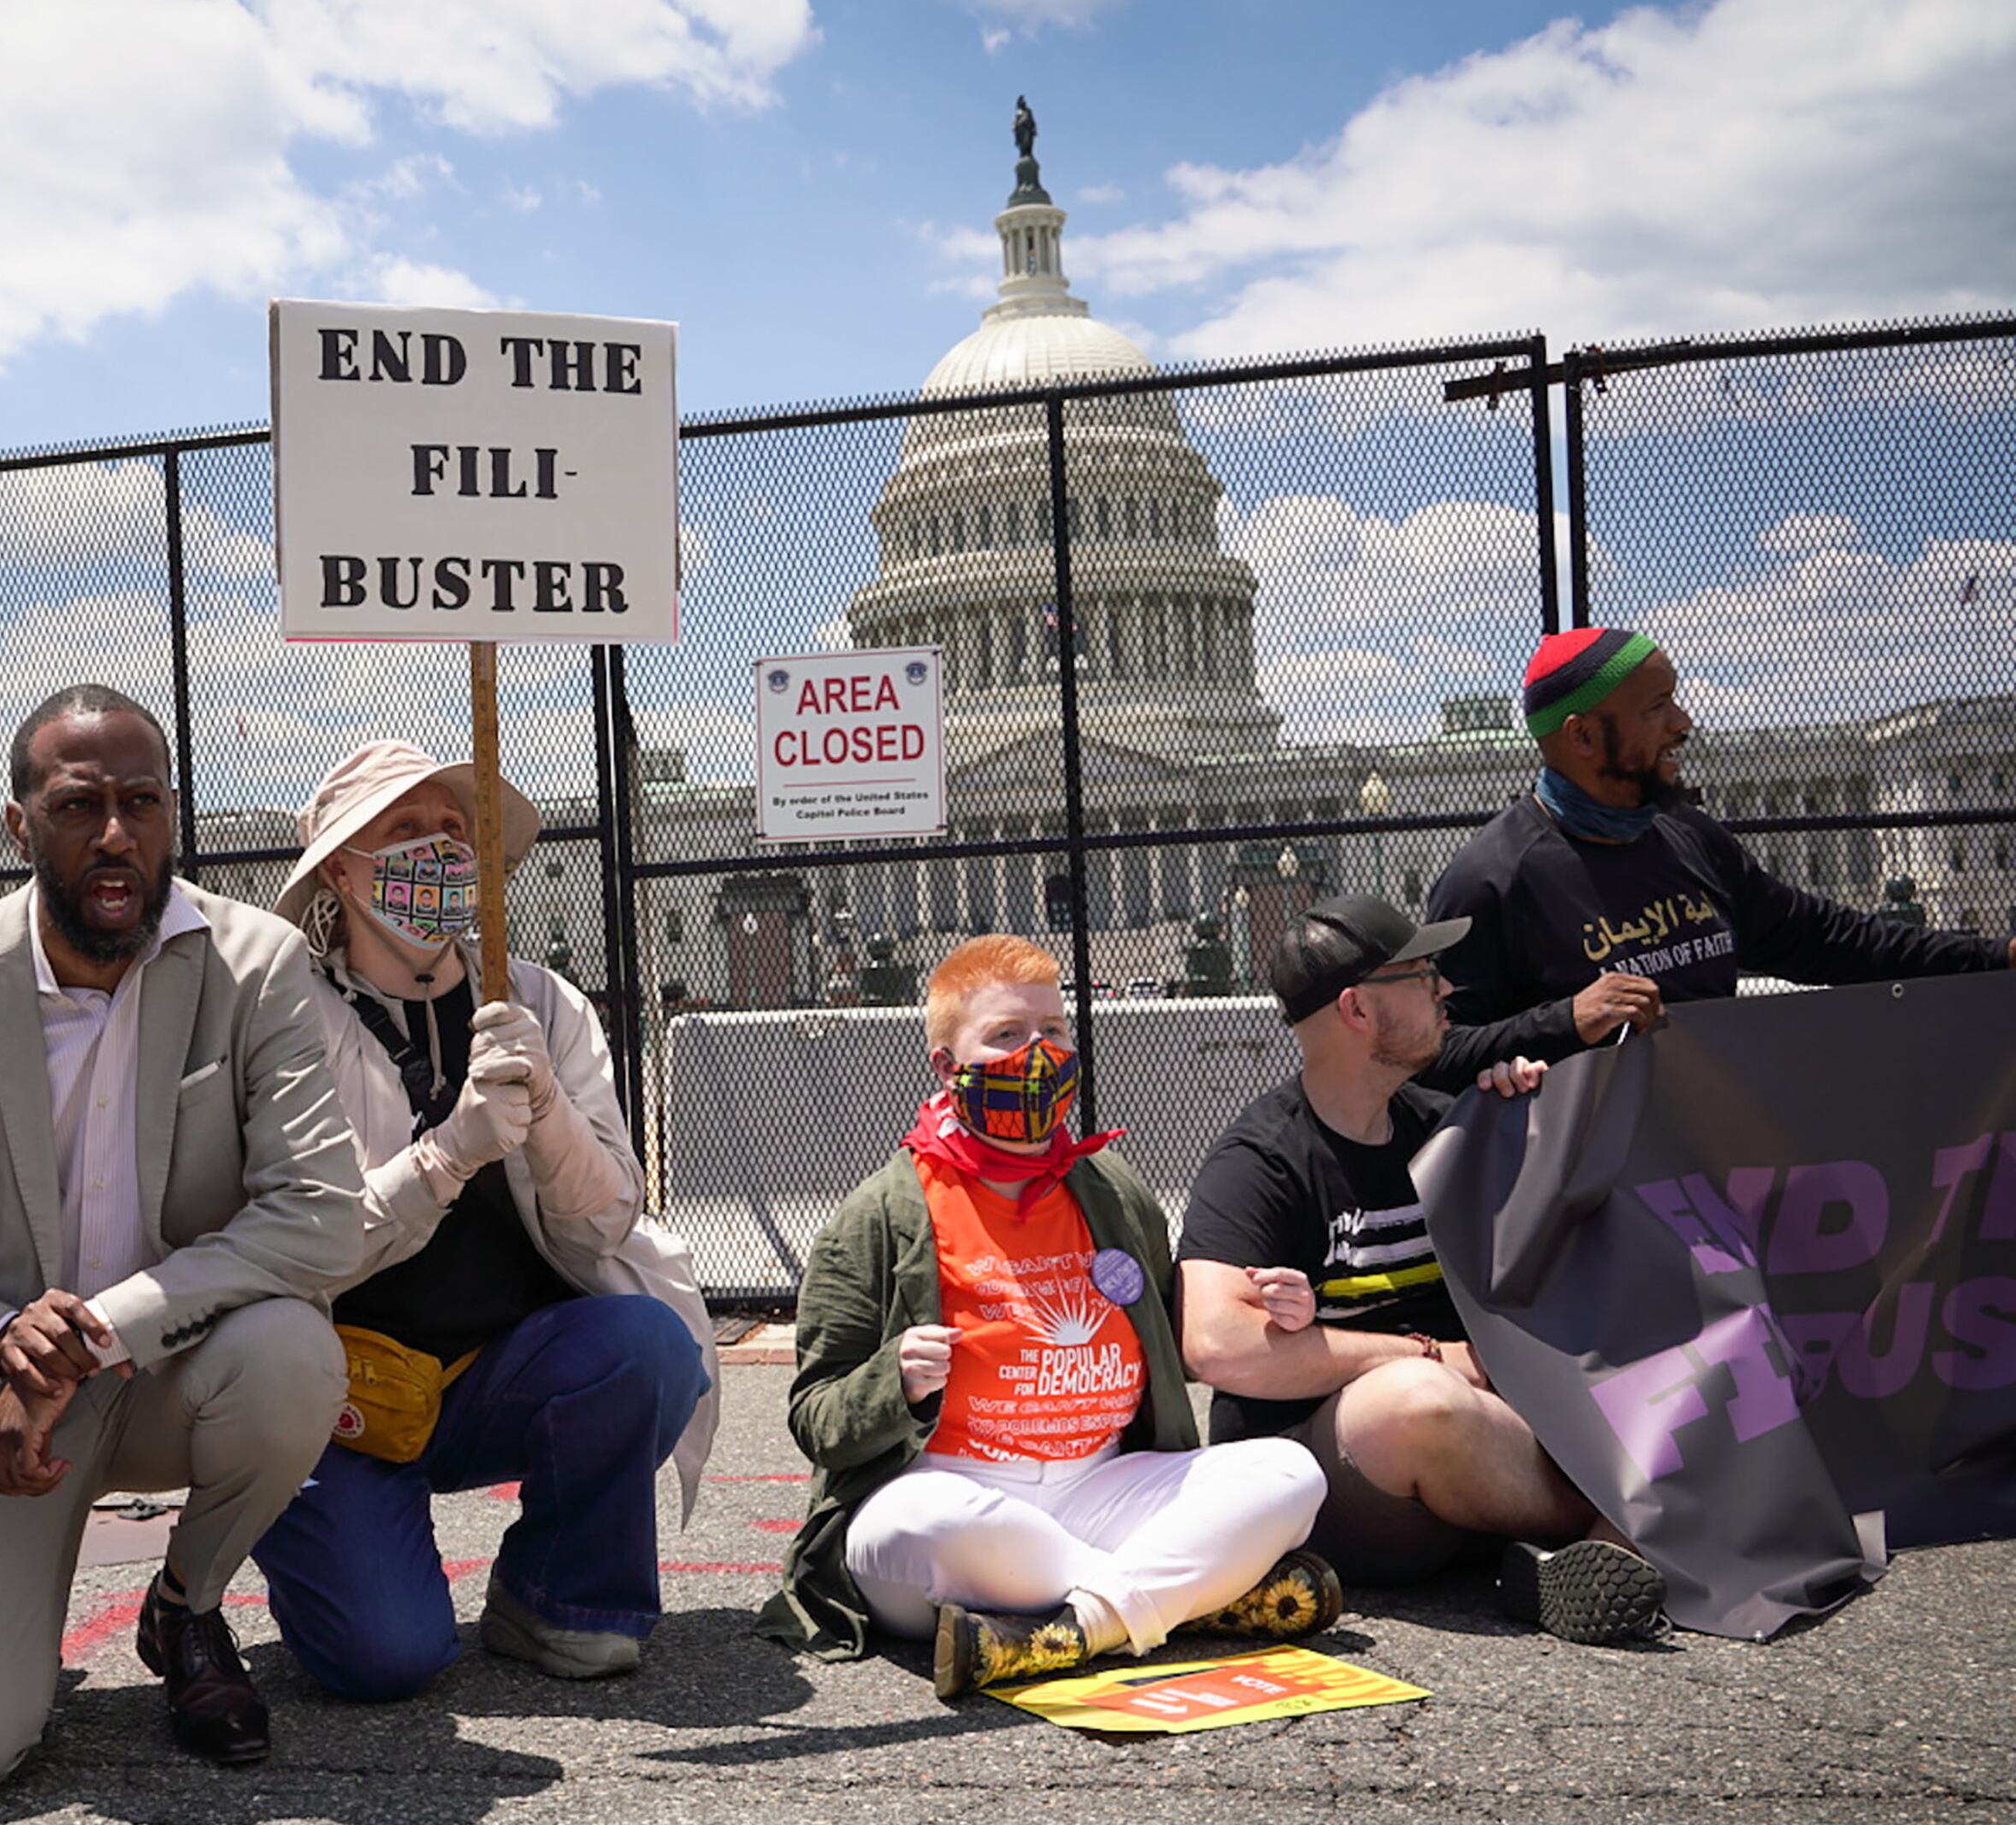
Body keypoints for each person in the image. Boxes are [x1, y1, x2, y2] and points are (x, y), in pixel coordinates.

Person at [0, 684, 364, 1798]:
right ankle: (10, 1608)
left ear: (174, 813)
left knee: (293, 1355)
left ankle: (183, 1610)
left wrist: (90, 1338)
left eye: (143, 802)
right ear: (19, 824)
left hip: (185, 1371)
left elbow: (322, 1214)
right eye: (80, 804)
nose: (117, 835)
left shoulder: (258, 965)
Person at [245, 741, 713, 1702]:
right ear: (340, 864)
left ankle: (558, 1595)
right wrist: (447, 1154)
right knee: (385, 1662)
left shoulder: (540, 999)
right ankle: (332, 1552)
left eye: (455, 831)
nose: (440, 851)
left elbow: (609, 1218)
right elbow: (298, 1248)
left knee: (644, 1344)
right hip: (338, 1392)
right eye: (405, 832)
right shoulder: (285, 1015)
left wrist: (548, 1118)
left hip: (501, 1372)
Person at [758, 935, 1337, 1698]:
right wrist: (891, 1382)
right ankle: (1184, 1596)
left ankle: (1081, 1625)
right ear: (946, 1064)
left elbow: (1178, 1342)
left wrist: (1271, 1308)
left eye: (1053, 1031)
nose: (1039, 1053)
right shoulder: (881, 1213)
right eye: (1006, 1036)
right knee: (930, 1524)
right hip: (951, 1494)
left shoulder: (1110, 1188)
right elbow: (815, 1417)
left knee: (1289, 1473)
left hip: (1101, 1486)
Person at [1178, 894, 1668, 1644]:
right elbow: (1216, 1346)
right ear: (1358, 1010)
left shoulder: (1443, 1125)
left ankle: (1556, 1563)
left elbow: (1550, 1274)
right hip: (1338, 1489)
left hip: (1477, 1471)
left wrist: (1521, 1128)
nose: (1446, 990)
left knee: (1625, 1328)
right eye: (1421, 975)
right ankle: (1634, 1524)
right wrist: (1426, 1354)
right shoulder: (1263, 1160)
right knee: (1414, 1400)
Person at [1430, 626, 2013, 1078]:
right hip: (1584, 1202)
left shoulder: (1688, 836)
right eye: (1657, 706)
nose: (1684, 723)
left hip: (1708, 1162)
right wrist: (1565, 1023)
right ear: (1582, 736)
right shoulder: (1491, 880)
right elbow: (1434, 1055)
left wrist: (1996, 958)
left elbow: (1824, 939)